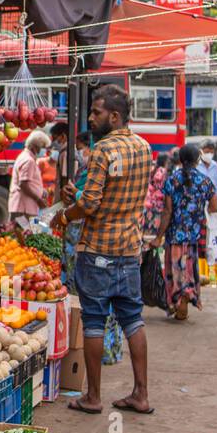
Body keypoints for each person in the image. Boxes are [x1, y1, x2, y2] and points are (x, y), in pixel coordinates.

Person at [56, 84, 154, 415]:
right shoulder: (144, 148)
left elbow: (93, 203)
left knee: (95, 320)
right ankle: (141, 394)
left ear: (114, 116)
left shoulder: (102, 151)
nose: (91, 118)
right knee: (133, 320)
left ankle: (93, 396)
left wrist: (66, 213)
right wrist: (79, 201)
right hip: (129, 250)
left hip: (97, 249)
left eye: (96, 113)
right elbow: (111, 197)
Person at [59, 132, 126, 366]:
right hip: (111, 245)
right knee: (106, 300)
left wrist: (72, 201)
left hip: (93, 242)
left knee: (95, 302)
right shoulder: (116, 171)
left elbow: (91, 203)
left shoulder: (98, 174)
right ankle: (109, 350)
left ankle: (100, 352)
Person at [156, 144, 216, 320]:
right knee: (188, 271)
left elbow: (167, 212)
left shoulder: (172, 180)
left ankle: (178, 303)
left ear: (180, 160)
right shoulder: (205, 181)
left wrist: (158, 236)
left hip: (174, 237)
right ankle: (185, 301)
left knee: (175, 272)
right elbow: (215, 207)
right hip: (193, 238)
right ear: (198, 160)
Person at [9, 130, 50, 223]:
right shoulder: (29, 160)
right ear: (35, 146)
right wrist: (38, 199)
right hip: (24, 207)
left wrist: (40, 190)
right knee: (26, 234)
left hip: (25, 206)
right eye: (43, 147)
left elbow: (28, 181)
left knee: (25, 233)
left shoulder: (26, 157)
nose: (44, 150)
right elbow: (23, 184)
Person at [198, 139, 217, 207]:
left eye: (211, 152)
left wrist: (214, 200)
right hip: (198, 201)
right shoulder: (196, 165)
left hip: (212, 201)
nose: (209, 154)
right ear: (200, 152)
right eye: (207, 152)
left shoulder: (215, 166)